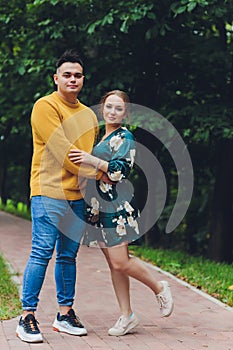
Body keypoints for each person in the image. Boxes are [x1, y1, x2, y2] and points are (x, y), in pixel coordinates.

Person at [16, 49, 110, 343]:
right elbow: (65, 154)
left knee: (68, 256)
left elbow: (89, 154)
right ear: (56, 78)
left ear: (83, 79)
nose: (72, 79)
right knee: (42, 252)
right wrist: (101, 173)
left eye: (77, 75)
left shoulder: (87, 115)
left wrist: (96, 174)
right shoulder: (45, 106)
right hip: (48, 190)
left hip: (76, 195)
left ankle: (64, 314)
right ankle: (27, 316)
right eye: (66, 74)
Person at [68, 90, 174, 337]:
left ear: (125, 113)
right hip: (97, 207)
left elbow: (119, 173)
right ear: (102, 108)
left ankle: (159, 286)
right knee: (114, 266)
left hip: (115, 207)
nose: (112, 112)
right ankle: (127, 316)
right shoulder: (100, 136)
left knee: (120, 261)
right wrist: (96, 167)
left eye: (118, 108)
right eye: (109, 107)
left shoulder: (124, 136)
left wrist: (92, 161)